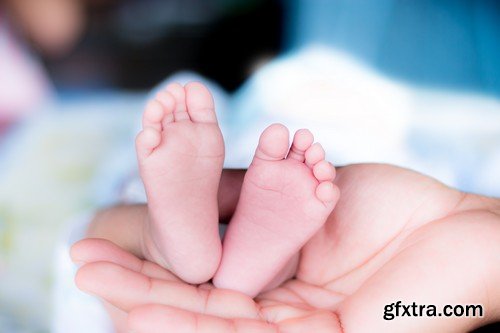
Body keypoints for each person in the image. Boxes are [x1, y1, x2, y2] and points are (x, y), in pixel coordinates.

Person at [71, 83, 500, 332]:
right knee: (108, 279)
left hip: (354, 191)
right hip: (353, 214)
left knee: (109, 266)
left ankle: (167, 244)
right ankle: (181, 244)